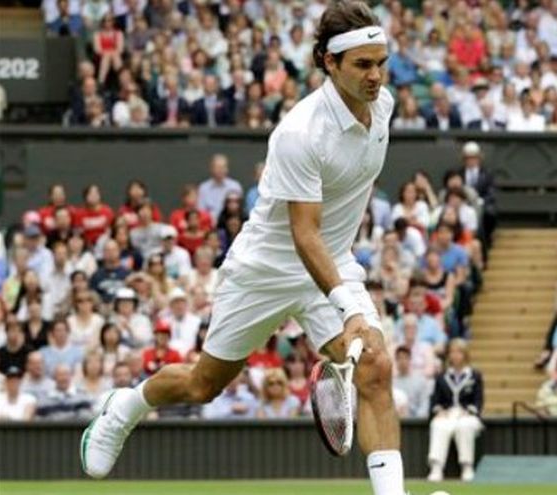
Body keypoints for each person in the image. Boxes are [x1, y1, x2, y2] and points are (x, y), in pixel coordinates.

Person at [81, 5, 407, 495]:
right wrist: (349, 309)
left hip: (332, 261)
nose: (375, 76)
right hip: (266, 268)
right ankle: (125, 407)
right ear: (329, 62)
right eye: (362, 65)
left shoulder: (382, 106)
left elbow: (324, 237)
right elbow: (304, 235)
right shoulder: (299, 134)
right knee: (203, 385)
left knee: (376, 368)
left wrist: (346, 308)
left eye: (380, 63)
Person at [426, 339, 483, 483]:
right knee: (438, 425)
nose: (455, 355)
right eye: (452, 352)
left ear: (465, 354)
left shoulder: (475, 375)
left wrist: (469, 411)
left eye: (459, 352)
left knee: (464, 426)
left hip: (466, 415)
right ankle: (436, 467)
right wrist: (439, 411)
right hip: (448, 414)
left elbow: (478, 400)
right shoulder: (442, 376)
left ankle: (467, 466)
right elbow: (435, 400)